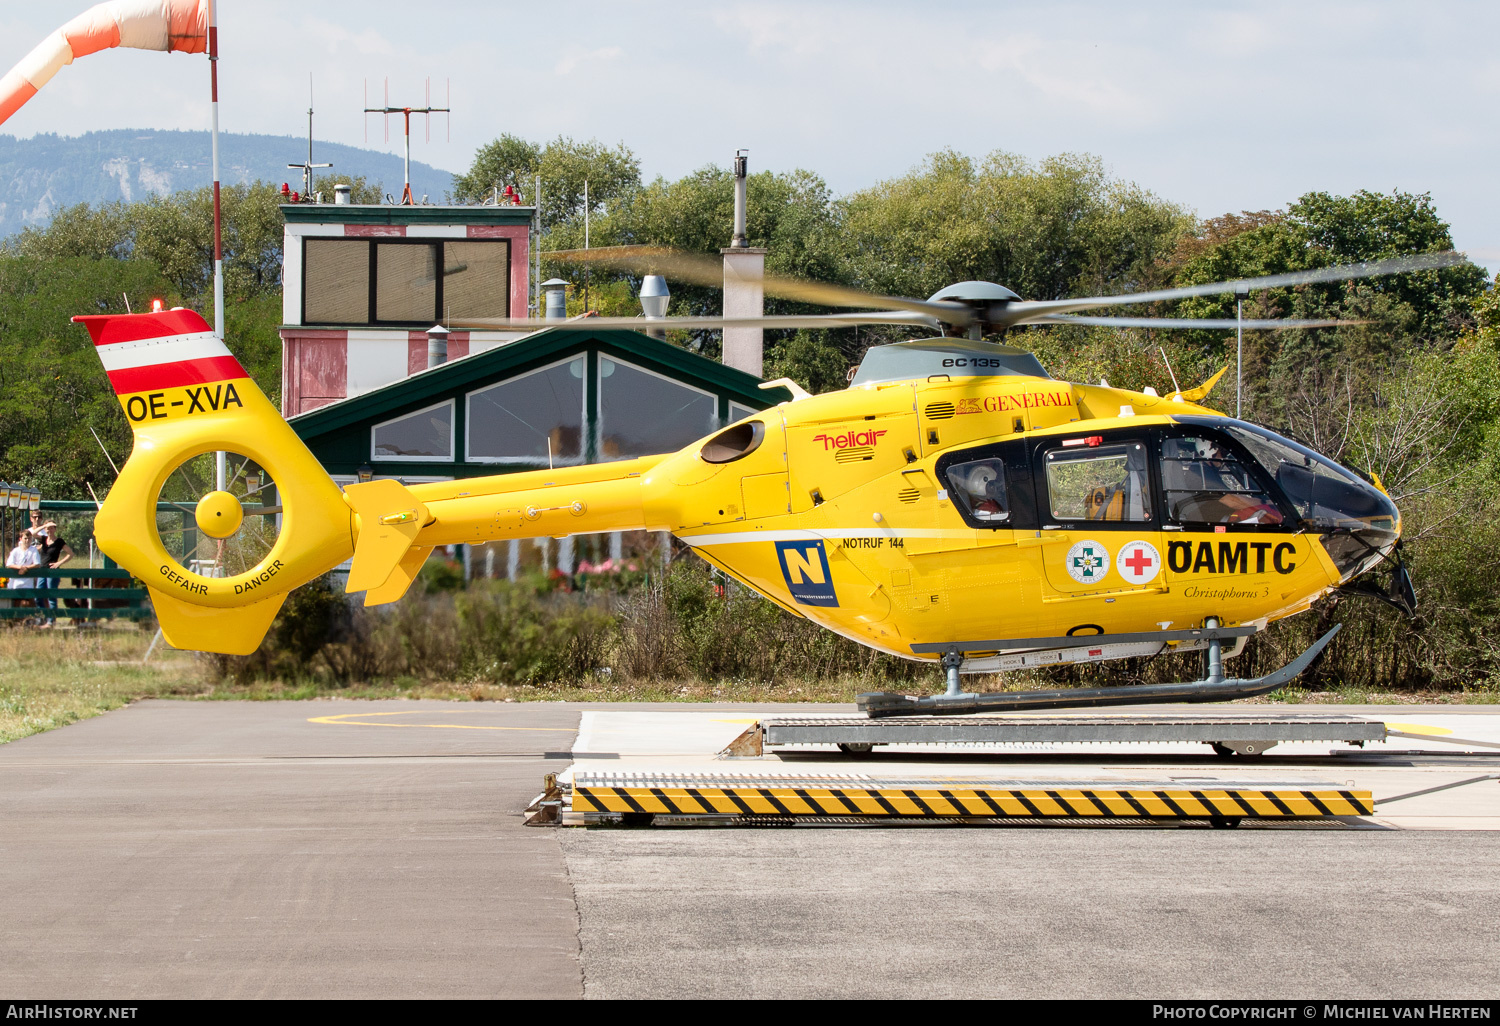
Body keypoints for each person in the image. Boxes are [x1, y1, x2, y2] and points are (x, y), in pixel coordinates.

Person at [37, 523, 72, 627]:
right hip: (42, 570)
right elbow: (32, 533)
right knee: (38, 596)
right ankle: (42, 617)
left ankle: (51, 621)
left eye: (51, 528)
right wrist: (44, 526)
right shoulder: (43, 539)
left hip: (52, 571)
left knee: (51, 596)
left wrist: (58, 563)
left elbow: (70, 553)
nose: (49, 530)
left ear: (55, 529)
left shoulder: (59, 541)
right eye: (48, 528)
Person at [7, 529, 42, 622]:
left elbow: (37, 564)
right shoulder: (16, 551)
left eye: (29, 538)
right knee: (16, 602)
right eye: (25, 538)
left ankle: (34, 620)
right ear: (21, 539)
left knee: (29, 601)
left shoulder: (33, 550)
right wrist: (20, 567)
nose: (27, 540)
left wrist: (26, 568)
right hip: (15, 582)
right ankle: (15, 621)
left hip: (28, 582)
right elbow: (9, 564)